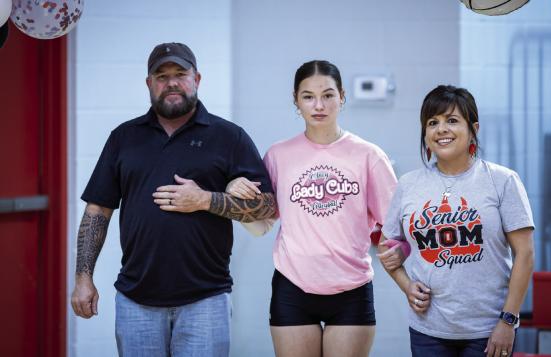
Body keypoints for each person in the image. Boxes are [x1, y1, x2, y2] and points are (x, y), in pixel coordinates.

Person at [70, 42, 276, 357]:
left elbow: (267, 206)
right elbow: (98, 209)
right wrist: (83, 278)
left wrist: (205, 199)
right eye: (161, 76)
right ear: (149, 83)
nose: (171, 83)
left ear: (197, 79)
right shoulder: (124, 138)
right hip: (135, 301)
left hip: (205, 301)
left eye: (180, 74)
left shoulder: (228, 136)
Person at [226, 60, 405, 357]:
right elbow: (261, 223)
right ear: (296, 101)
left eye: (328, 95)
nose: (318, 105)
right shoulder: (278, 155)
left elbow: (396, 227)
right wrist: (234, 191)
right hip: (292, 287)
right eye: (308, 96)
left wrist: (400, 253)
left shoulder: (369, 156)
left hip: (351, 288)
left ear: (342, 97)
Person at [378, 85, 535, 357]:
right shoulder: (408, 185)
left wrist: (508, 320)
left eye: (452, 120)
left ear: (473, 128)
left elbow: (526, 254)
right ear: (425, 134)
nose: (441, 129)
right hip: (428, 330)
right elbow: (387, 246)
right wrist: (407, 285)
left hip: (488, 330)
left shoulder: (502, 180)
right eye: (433, 122)